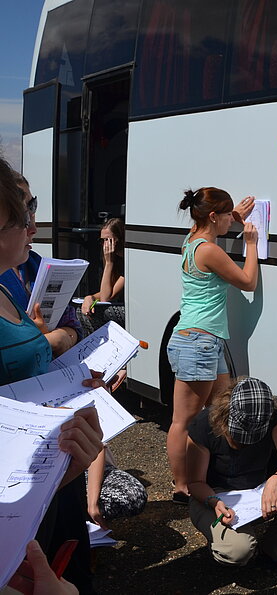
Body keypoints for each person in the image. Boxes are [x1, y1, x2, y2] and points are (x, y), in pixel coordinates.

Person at [0, 155, 104, 594]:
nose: (33, 228)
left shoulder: (5, 285)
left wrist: (70, 377)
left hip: (45, 472)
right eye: (22, 218)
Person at [166, 188, 258, 503]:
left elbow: (212, 225)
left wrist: (234, 215)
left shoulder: (192, 239)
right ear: (213, 216)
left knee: (221, 408)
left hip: (203, 340)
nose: (231, 224)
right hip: (198, 342)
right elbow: (248, 281)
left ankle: (215, 474)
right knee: (184, 421)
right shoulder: (209, 250)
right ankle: (182, 487)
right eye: (226, 216)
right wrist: (251, 245)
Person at [185, 377, 277, 574]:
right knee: (237, 552)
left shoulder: (274, 412)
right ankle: (225, 540)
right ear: (226, 414)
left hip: (257, 491)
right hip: (213, 497)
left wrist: (276, 480)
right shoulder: (203, 425)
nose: (245, 444)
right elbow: (195, 482)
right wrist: (214, 502)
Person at [0, 174, 83, 357]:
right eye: (21, 214)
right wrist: (42, 341)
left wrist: (64, 338)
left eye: (32, 206)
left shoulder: (37, 264)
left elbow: (71, 321)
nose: (33, 226)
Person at [78, 217, 125, 334]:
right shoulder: (116, 259)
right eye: (102, 240)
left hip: (131, 310)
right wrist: (90, 297)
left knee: (96, 313)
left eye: (108, 240)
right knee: (83, 310)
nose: (104, 245)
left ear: (118, 239)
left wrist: (109, 263)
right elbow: (105, 292)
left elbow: (106, 297)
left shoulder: (127, 260)